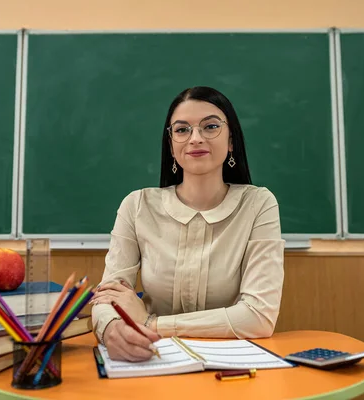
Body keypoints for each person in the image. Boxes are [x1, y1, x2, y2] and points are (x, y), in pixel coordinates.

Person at [90, 86, 285, 362]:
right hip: (151, 360)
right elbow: (108, 294)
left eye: (210, 126)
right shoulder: (137, 206)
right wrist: (111, 329)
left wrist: (151, 323)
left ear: (232, 141)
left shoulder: (258, 204)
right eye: (182, 130)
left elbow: (258, 316)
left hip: (231, 365)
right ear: (171, 144)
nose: (195, 138)